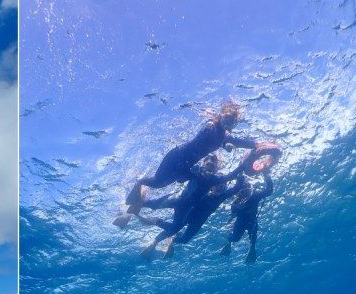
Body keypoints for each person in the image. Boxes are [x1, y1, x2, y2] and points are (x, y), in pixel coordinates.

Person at [114, 100, 258, 227]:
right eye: (227, 117)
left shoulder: (225, 135)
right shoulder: (211, 126)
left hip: (186, 166)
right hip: (176, 156)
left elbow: (240, 142)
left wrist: (257, 144)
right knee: (158, 183)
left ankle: (142, 203)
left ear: (235, 123)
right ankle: (139, 183)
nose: (228, 122)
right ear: (221, 115)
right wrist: (223, 144)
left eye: (232, 121)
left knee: (170, 184)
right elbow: (205, 137)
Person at [137, 153, 241, 258]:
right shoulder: (204, 191)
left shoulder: (221, 196)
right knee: (173, 227)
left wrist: (241, 177)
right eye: (219, 186)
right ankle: (154, 241)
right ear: (212, 187)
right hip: (187, 212)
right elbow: (190, 183)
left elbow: (235, 188)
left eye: (223, 186)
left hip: (197, 221)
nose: (221, 188)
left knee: (184, 239)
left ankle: (171, 240)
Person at [219, 172, 274, 263]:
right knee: (235, 238)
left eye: (247, 187)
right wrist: (237, 207)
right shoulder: (237, 200)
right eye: (242, 189)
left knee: (253, 240)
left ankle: (252, 250)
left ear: (250, 188)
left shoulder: (255, 195)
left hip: (252, 221)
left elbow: (269, 190)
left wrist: (266, 175)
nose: (245, 191)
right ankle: (229, 242)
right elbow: (233, 210)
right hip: (240, 222)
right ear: (240, 191)